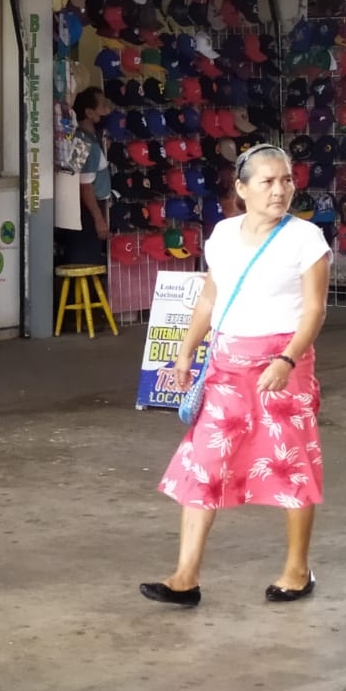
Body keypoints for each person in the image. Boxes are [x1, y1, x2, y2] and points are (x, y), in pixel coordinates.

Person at [141, 144, 330, 607]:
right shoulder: (223, 235)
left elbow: (315, 309)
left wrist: (287, 360)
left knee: (291, 463)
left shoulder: (306, 239)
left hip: (282, 367)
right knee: (202, 464)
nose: (280, 190)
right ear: (241, 189)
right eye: (267, 182)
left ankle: (297, 569)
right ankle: (185, 576)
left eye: (286, 180)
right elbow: (210, 298)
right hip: (226, 367)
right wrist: (186, 351)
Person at [61, 87, 112, 265]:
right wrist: (98, 219)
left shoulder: (87, 138)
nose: (107, 111)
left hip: (84, 209)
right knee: (86, 263)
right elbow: (85, 185)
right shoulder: (85, 143)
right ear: (90, 113)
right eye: (103, 106)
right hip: (87, 212)